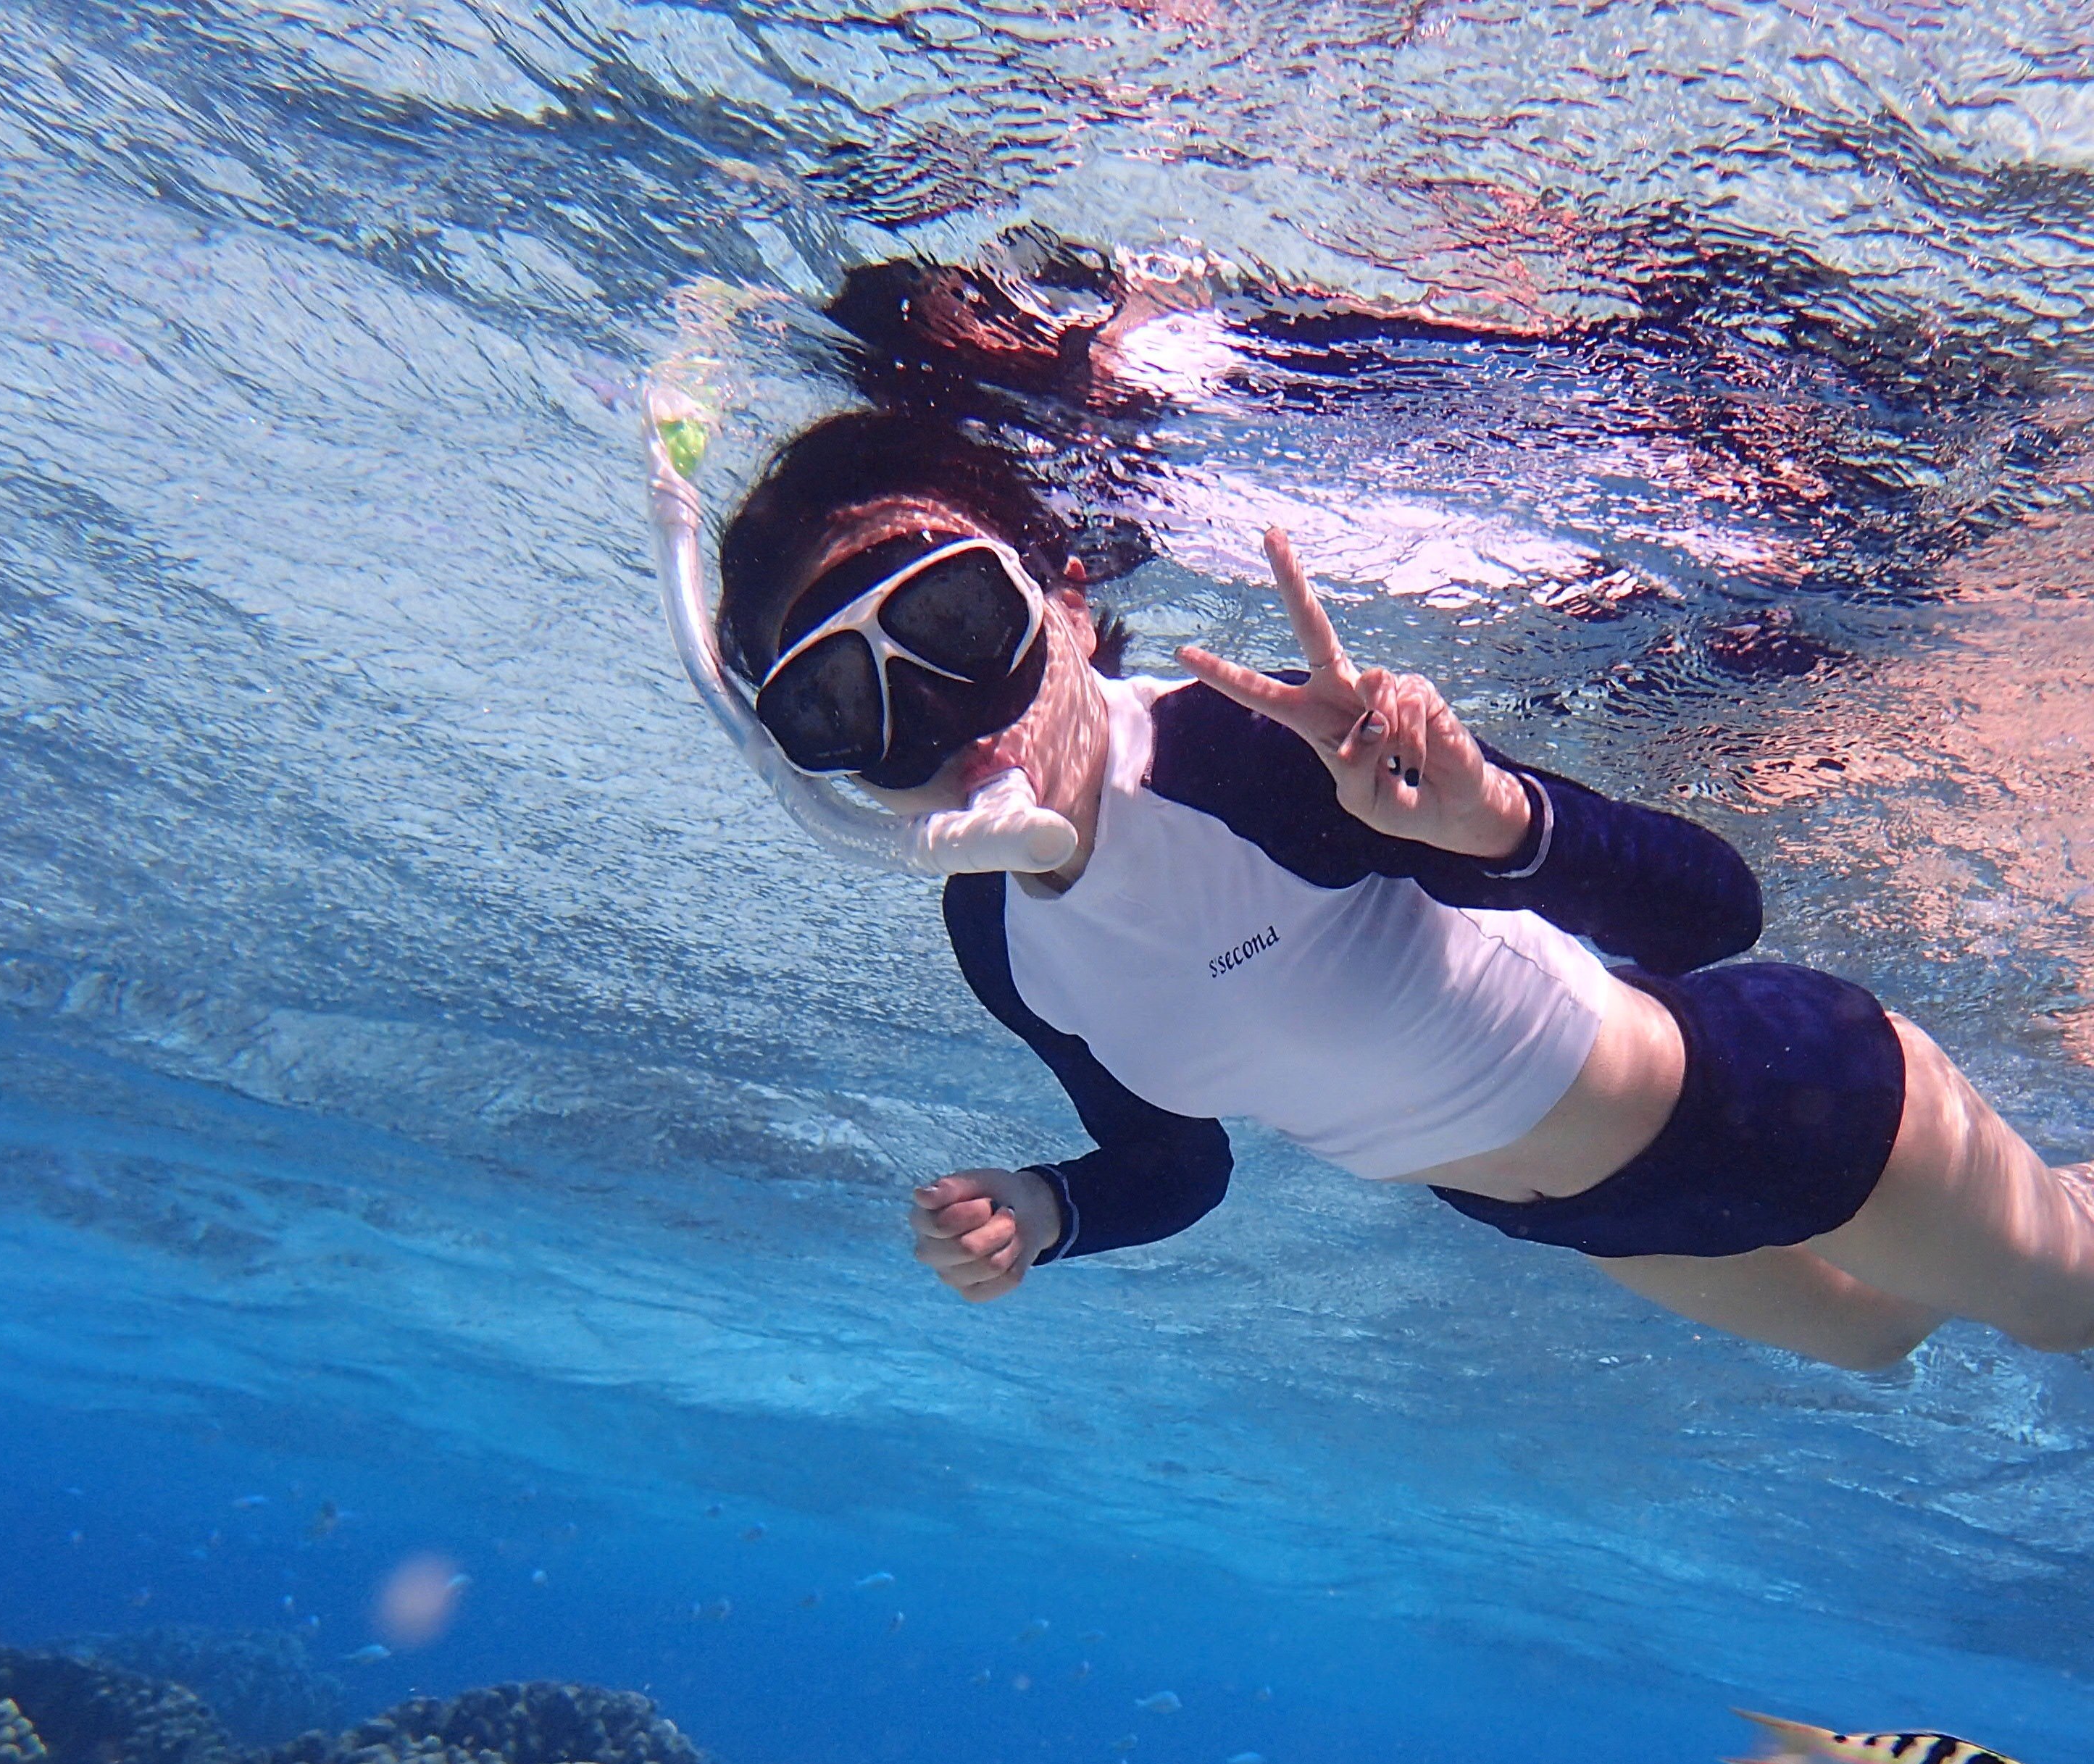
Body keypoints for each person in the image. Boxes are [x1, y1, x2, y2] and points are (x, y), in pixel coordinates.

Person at [710, 409, 2094, 1372]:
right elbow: (1174, 1167)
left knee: (2066, 1306)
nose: (948, 722)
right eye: (845, 706)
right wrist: (1052, 1210)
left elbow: (1714, 918)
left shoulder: (1241, 754)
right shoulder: (995, 936)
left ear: (1066, 599)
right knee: (1881, 1335)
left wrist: (1499, 816)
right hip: (1583, 1221)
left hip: (1776, 1105)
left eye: (957, 622)